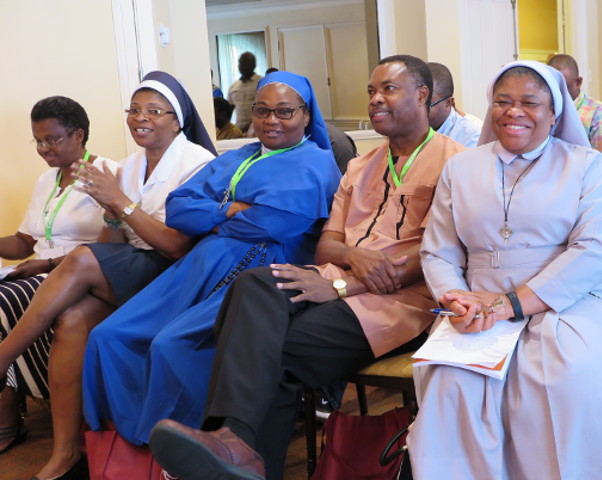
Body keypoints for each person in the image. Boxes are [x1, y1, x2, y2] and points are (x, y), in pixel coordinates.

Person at [147, 54, 466, 480]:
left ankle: (234, 446)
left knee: (272, 348)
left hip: (400, 304)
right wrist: (350, 260)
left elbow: (437, 254)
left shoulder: (458, 164)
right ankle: (234, 444)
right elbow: (327, 247)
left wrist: (340, 287)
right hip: (335, 283)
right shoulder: (359, 166)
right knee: (255, 285)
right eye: (371, 91)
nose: (375, 100)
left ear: (423, 95)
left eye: (387, 89)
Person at [407, 60, 602, 479]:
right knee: (451, 378)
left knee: (573, 374)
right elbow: (439, 253)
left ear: (555, 112)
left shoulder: (586, 166)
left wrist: (512, 304)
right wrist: (457, 298)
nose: (514, 111)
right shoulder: (460, 168)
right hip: (478, 305)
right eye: (502, 101)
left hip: (571, 300)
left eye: (529, 102)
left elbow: (594, 252)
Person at [82, 71, 341, 449]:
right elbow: (179, 209)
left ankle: (176, 450)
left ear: (305, 114)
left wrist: (216, 215)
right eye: (262, 110)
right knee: (110, 335)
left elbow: (275, 223)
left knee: (170, 345)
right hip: (201, 264)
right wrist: (234, 209)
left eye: (285, 112)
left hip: (262, 272)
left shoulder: (316, 163)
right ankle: (121, 449)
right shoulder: (238, 155)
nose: (272, 120)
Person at [0, 71, 215, 480]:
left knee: (79, 259)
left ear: (177, 118)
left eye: (153, 110)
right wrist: (113, 214)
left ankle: (2, 357)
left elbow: (177, 246)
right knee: (71, 321)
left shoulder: (198, 163)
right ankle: (65, 454)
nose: (140, 117)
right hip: (133, 267)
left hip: (176, 274)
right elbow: (111, 246)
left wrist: (120, 202)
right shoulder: (131, 166)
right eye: (134, 109)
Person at [0, 97, 117, 454]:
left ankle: (7, 418)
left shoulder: (107, 173)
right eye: (38, 141)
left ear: (78, 135)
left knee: (3, 302)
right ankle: (9, 412)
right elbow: (24, 243)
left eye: (52, 139)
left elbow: (111, 247)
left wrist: (48, 264)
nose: (43, 149)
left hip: (82, 277)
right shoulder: (46, 179)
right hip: (36, 271)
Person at [548, 54, 602, 159]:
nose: (557, 93)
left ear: (578, 82)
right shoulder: (543, 111)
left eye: (564, 87)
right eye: (551, 87)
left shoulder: (601, 114)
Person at [426, 62, 481, 148]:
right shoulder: (411, 130)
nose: (417, 111)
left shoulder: (470, 137)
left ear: (448, 103)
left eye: (427, 105)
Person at [228, 52, 263, 131]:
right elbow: (229, 110)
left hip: (258, 128)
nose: (242, 66)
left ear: (254, 65)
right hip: (239, 129)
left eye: (246, 63)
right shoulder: (233, 86)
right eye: (240, 63)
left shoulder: (263, 83)